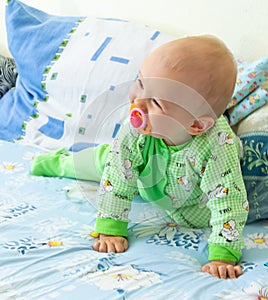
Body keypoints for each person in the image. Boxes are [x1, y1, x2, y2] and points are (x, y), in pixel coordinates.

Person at [31, 35, 249, 279]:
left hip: (190, 203)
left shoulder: (217, 146)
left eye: (156, 102)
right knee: (102, 163)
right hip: (143, 172)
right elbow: (117, 176)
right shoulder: (136, 129)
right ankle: (58, 161)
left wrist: (222, 255)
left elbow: (228, 200)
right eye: (141, 83)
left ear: (197, 124)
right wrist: (112, 228)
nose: (138, 102)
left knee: (231, 188)